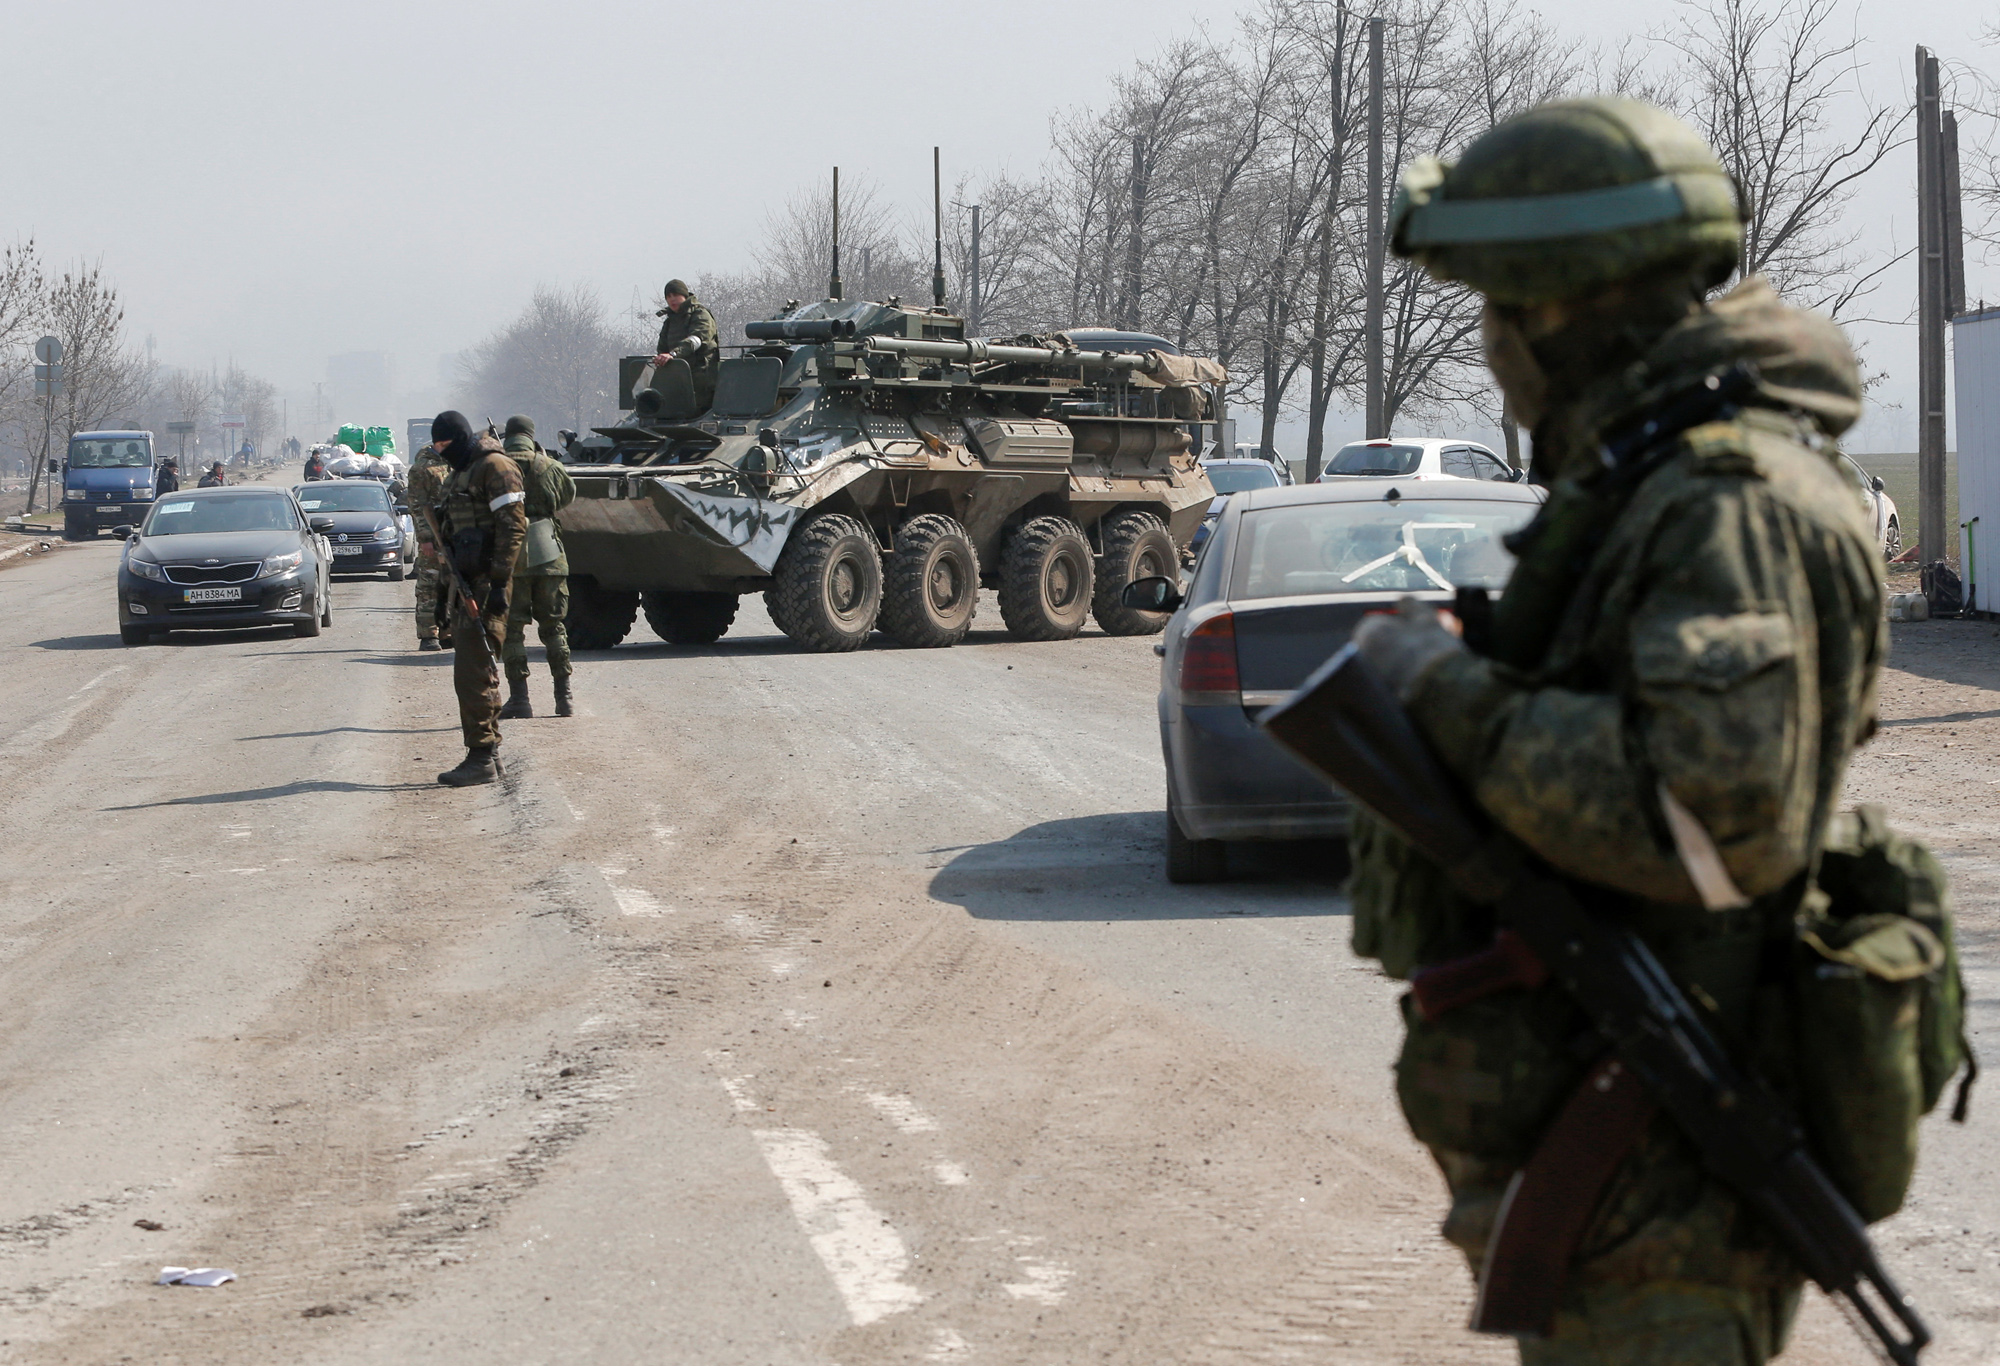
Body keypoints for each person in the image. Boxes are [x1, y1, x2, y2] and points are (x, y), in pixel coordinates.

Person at [1346, 97, 1885, 1365]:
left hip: (1665, 1175)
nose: (1485, 347)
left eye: (1492, 309)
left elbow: (1701, 819)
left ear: (1560, 306)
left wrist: (1439, 684)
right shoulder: (1650, 482)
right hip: (1629, 1155)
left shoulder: (1720, 503)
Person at [428, 410, 526, 786]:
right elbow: (450, 537)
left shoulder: (495, 467)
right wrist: (441, 594)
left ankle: (482, 756)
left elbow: (513, 526)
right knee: (472, 670)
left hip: (487, 583)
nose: (440, 452)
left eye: (444, 444)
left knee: (475, 671)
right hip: (466, 581)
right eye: (435, 446)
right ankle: (488, 754)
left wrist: (500, 583)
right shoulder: (460, 471)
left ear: (459, 438)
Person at [496, 416, 577, 719]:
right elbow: (567, 496)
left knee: (512, 630)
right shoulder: (550, 466)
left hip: (509, 554)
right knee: (554, 626)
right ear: (531, 436)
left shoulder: (495, 465)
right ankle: (564, 698)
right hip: (549, 553)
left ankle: (520, 699)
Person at [405, 441, 452, 651]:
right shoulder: (422, 468)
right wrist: (425, 538)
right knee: (429, 585)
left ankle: (447, 630)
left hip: (456, 535)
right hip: (433, 536)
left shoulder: (457, 463)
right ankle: (428, 634)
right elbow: (417, 505)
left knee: (453, 585)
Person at [653, 278, 720, 412]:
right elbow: (662, 347)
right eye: (668, 296)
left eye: (675, 295)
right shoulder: (670, 321)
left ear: (684, 295)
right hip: (678, 377)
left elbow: (698, 339)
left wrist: (674, 354)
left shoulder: (700, 314)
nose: (672, 299)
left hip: (701, 376)